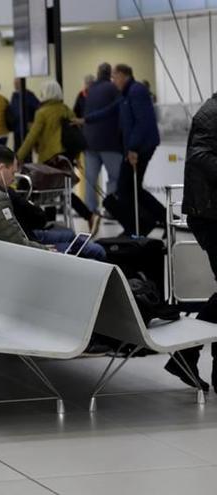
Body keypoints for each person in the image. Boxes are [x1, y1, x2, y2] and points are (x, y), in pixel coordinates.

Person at [0, 145, 106, 260]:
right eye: (12, 173)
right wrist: (46, 250)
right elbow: (18, 244)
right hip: (13, 260)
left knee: (72, 238)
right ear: (1, 169)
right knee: (96, 251)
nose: (14, 179)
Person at [167, 92, 217, 392]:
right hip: (209, 214)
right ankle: (185, 353)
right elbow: (200, 155)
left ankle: (186, 355)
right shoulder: (211, 113)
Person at [83, 64, 165, 236]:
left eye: (115, 77)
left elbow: (142, 122)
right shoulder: (126, 93)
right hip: (135, 147)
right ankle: (155, 221)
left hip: (142, 147)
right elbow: (109, 110)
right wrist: (86, 120)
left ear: (123, 75)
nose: (113, 81)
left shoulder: (137, 91)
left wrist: (133, 149)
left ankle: (140, 226)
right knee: (131, 189)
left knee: (125, 189)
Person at [17, 81, 101, 234]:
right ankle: (54, 225)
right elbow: (74, 134)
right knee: (61, 190)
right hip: (66, 156)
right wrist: (75, 157)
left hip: (50, 157)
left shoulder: (42, 112)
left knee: (50, 192)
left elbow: (32, 137)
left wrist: (18, 157)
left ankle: (83, 216)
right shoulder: (66, 109)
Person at [82, 63, 124, 213]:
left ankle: (90, 210)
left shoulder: (90, 90)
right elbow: (119, 112)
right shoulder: (114, 89)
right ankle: (111, 210)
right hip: (110, 142)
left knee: (91, 180)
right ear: (110, 74)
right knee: (114, 177)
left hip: (90, 142)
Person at [9, 78, 41, 150]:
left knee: (26, 149)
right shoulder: (14, 95)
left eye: (17, 83)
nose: (15, 85)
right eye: (14, 83)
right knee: (17, 149)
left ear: (22, 83)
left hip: (26, 127)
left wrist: (33, 122)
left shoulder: (29, 95)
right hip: (16, 127)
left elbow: (38, 107)